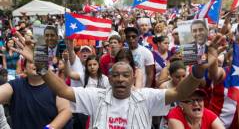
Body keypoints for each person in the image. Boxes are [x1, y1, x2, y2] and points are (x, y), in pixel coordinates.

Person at [31, 34, 224, 129]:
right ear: (109, 78)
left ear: (133, 78)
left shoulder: (147, 97)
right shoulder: (95, 96)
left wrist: (198, 70)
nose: (120, 79)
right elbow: (64, 91)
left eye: (125, 75)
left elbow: (180, 94)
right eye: (116, 75)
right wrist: (40, 66)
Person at [0, 31, 73, 129]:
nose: (35, 64)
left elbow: (66, 110)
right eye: (31, 61)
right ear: (24, 68)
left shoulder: (55, 85)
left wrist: (49, 128)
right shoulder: (15, 86)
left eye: (39, 61)